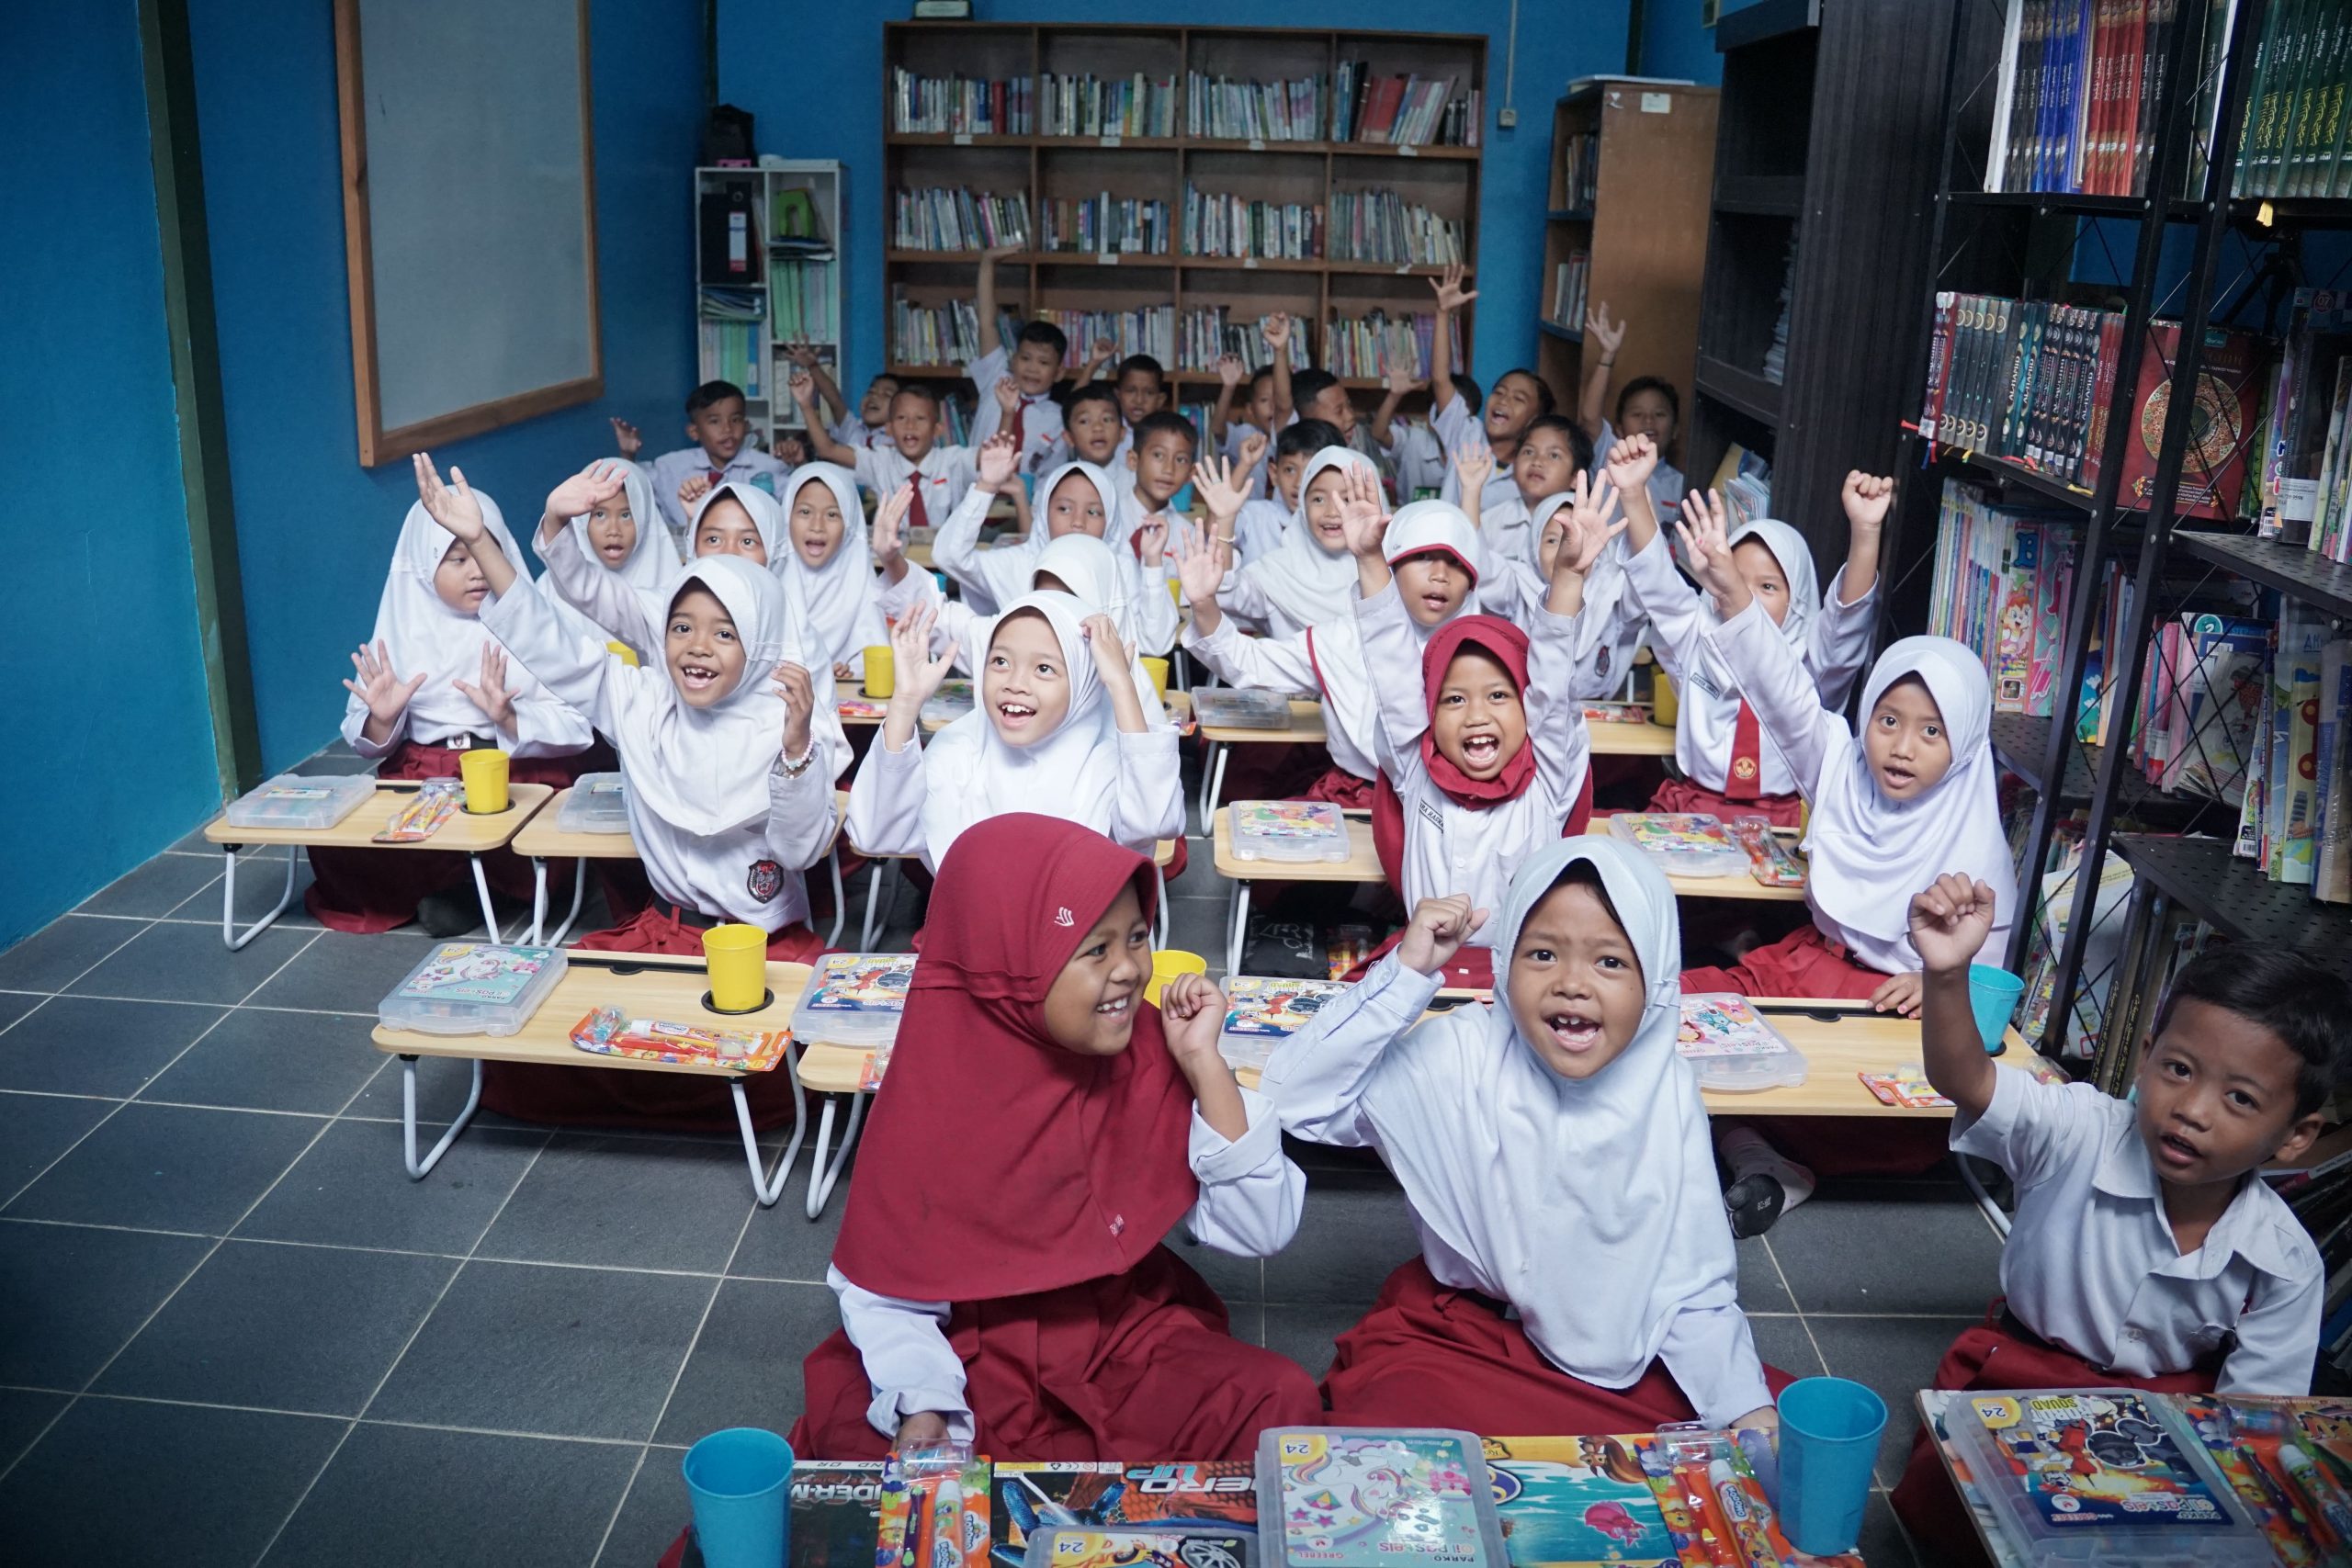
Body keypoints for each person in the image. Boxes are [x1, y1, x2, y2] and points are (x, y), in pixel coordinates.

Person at [793, 815, 1322, 1460]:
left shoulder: (1152, 1050)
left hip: (1121, 1333)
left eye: (1136, 937)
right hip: (972, 1347)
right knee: (872, 1462)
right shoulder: (937, 1081)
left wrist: (1205, 1067)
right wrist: (926, 1404)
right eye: (1095, 950)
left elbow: (1260, 1232)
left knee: (1276, 1402)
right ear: (1007, 965)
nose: (1129, 969)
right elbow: (885, 1286)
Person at [1888, 880, 2349, 1566]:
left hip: (2167, 1422)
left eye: (2240, 1097)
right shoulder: (2077, 1128)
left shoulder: (2283, 1259)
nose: (2192, 1108)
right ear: (2145, 1057)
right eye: (2179, 1068)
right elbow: (1964, 1078)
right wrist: (1948, 972)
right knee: (1958, 1517)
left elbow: (2250, 1418)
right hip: (2021, 1379)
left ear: (2296, 1134)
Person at [1264, 840, 1790, 1433]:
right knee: (1395, 1454)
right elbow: (1294, 1097)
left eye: (1610, 962)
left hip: (1619, 1348)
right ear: (1503, 962)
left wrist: (1747, 1409)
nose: (1572, 983)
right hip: (1465, 1336)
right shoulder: (1462, 1053)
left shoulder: (1665, 1090)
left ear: (1659, 983)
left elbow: (1693, 1286)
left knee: (1772, 1433)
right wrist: (1406, 973)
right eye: (1541, 953)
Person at [409, 456, 838, 1129]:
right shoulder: (640, 699)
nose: (697, 647)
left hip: (763, 945)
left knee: (809, 1069)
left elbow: (802, 847)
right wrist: (487, 543)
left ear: (755, 644)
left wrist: (796, 751)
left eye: (725, 633)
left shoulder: (785, 721)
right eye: (682, 627)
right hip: (663, 938)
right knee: (528, 1048)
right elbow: (548, 640)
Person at [1675, 493, 2013, 1230]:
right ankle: (1758, 1157)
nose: (1901, 745)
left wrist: (1939, 983)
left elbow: (1988, 969)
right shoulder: (1837, 760)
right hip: (1801, 965)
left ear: (1964, 746)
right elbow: (1782, 691)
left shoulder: (1974, 830)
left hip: (1889, 1006)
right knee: (1672, 1008)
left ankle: (1756, 1157)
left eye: (1932, 730)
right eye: (1888, 720)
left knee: (1875, 1114)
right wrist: (1733, 591)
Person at [1350, 466, 1619, 987]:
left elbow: (1554, 681)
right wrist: (1367, 561)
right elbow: (1390, 668)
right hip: (1425, 972)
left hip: (1525, 980)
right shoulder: (1416, 768)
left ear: (1527, 710)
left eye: (1499, 696)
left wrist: (1568, 578)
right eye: (1453, 699)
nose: (1476, 715)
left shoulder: (1548, 777)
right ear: (1430, 715)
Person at [311, 489, 598, 937]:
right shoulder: (402, 626)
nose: (477, 573)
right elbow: (364, 739)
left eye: (484, 554)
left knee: (555, 810)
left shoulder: (534, 624)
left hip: (513, 766)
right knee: (340, 839)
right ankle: (466, 888)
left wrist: (509, 719)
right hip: (426, 773)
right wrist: (383, 720)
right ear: (425, 566)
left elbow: (580, 723)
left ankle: (484, 889)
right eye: (456, 560)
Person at [1615, 444, 1883, 828]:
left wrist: (1866, 531)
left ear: (1799, 602)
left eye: (1769, 587)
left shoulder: (1809, 659)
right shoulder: (1698, 634)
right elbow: (1656, 581)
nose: (1751, 597)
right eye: (1738, 580)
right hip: (1694, 808)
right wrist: (1632, 494)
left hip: (1785, 819)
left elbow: (1848, 621)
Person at [1177, 483, 1483, 808]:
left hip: (1452, 804)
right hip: (1355, 797)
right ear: (1390, 564)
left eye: (1455, 563)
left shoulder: (1483, 654)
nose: (1440, 575)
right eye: (1422, 557)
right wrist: (1204, 604)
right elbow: (1250, 664)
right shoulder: (1342, 639)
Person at [846, 592, 1182, 873]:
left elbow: (1154, 822)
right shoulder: (959, 749)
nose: (1015, 684)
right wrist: (905, 703)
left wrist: (1121, 684)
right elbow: (874, 834)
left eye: (1044, 669)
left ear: (1084, 684)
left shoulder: (1107, 760)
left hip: (1084, 949)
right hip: (971, 945)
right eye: (1001, 662)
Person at [932, 444, 1177, 654]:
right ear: (1043, 514)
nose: (1078, 521)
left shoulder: (1119, 566)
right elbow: (949, 556)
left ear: (1110, 522)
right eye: (1064, 509)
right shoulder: (1019, 563)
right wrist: (986, 486)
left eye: (1093, 512)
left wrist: (1153, 562)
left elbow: (1155, 644)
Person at [1210, 445, 1374, 637]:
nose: (1332, 512)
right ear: (1303, 508)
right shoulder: (1279, 570)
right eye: (1318, 499)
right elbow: (1227, 594)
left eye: (1347, 499)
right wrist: (1226, 521)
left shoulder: (1386, 572)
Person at [1428, 263, 1550, 516]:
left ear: (1535, 419)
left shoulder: (1533, 468)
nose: (1504, 400)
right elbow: (1440, 378)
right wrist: (1443, 313)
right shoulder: (1465, 431)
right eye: (1500, 391)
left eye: (1518, 398)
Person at [614, 380, 793, 545]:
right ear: (694, 431)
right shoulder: (670, 467)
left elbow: (795, 507)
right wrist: (627, 455)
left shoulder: (768, 468)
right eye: (714, 421)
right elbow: (632, 488)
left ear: (746, 426)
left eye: (735, 420)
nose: (727, 429)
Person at [795, 374, 980, 524]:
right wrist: (805, 405)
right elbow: (828, 450)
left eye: (920, 419)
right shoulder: (880, 461)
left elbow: (996, 457)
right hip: (895, 559)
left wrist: (1006, 412)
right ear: (889, 429)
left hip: (945, 561)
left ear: (937, 429)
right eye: (901, 418)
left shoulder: (953, 460)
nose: (910, 426)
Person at [967, 243, 1069, 476]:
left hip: (1024, 504)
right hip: (975, 496)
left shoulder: (1058, 416)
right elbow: (987, 322)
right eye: (1026, 358)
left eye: (1043, 363)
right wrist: (987, 263)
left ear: (1059, 372)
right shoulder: (997, 380)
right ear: (1013, 361)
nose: (1032, 368)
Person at [1577, 303, 1687, 515]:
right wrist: (1607, 357)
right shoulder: (1610, 455)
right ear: (1619, 428)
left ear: (1675, 430)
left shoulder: (1681, 485)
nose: (1648, 421)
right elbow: (1590, 417)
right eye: (1637, 414)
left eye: (1659, 414)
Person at [1206, 353, 1279, 501]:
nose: (1273, 406)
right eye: (1264, 400)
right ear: (1251, 410)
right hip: (1250, 517)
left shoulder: (1299, 438)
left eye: (1279, 398)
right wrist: (1229, 387)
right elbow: (1218, 430)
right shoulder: (1248, 435)